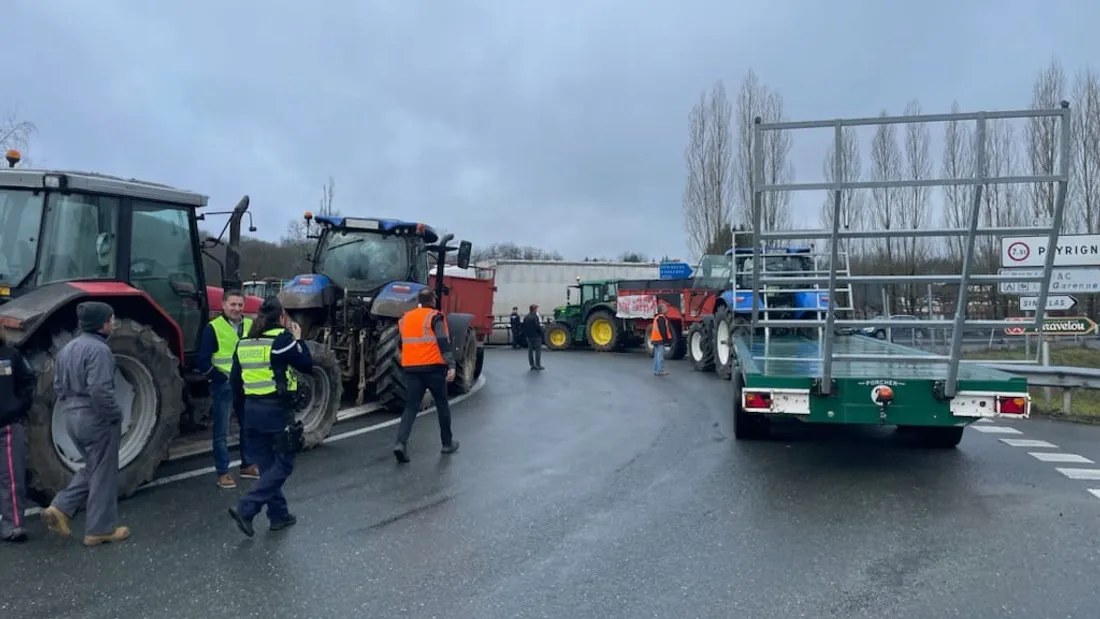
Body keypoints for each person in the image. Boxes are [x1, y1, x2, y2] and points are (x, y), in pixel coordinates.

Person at [41, 301, 131, 546]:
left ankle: (61, 507)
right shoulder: (100, 351)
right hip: (96, 418)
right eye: (111, 319)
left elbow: (58, 387)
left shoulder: (68, 348)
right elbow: (100, 391)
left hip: (71, 416)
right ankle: (99, 530)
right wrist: (114, 414)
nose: (113, 323)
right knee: (104, 473)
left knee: (94, 467)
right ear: (103, 324)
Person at [227, 296, 312, 537]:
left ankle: (279, 515)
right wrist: (298, 339)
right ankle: (246, 507)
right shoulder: (282, 339)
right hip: (275, 410)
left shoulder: (244, 343)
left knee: (266, 465)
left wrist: (242, 413)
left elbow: (235, 382)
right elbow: (306, 364)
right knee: (284, 464)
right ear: (282, 317)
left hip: (251, 410)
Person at [196, 289, 257, 489]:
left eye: (240, 305)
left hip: (245, 384)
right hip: (224, 385)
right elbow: (203, 361)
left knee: (247, 426)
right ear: (223, 305)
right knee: (221, 431)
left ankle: (247, 465)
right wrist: (220, 377)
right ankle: (223, 472)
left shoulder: (250, 325)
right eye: (233, 304)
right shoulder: (213, 328)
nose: (237, 308)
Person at [393, 288, 459, 463]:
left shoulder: (406, 319)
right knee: (442, 404)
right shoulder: (434, 316)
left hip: (412, 370)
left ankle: (400, 443)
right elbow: (442, 341)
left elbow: (401, 343)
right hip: (434, 368)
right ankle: (447, 443)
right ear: (432, 300)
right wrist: (451, 364)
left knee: (411, 407)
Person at [0, 330, 36, 543]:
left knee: (11, 479)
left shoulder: (10, 355)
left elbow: (28, 381)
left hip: (7, 427)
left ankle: (13, 525)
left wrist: (18, 407)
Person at [521, 304, 545, 370]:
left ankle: (532, 365)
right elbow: (537, 327)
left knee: (530, 350)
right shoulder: (535, 317)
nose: (537, 309)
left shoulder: (526, 317)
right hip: (536, 336)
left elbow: (524, 327)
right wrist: (541, 332)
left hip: (529, 337)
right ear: (534, 309)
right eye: (536, 308)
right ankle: (538, 365)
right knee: (538, 351)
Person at [651, 306, 673, 377]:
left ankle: (656, 370)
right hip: (660, 339)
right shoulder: (661, 318)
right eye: (665, 308)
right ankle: (660, 370)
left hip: (655, 339)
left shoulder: (657, 318)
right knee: (660, 355)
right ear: (662, 310)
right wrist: (666, 340)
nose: (667, 309)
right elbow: (663, 330)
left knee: (657, 355)